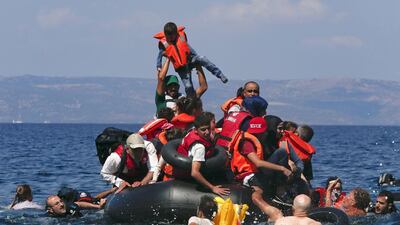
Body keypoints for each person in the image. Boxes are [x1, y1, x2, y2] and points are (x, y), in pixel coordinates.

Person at [154, 22, 227, 97]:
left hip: (190, 59)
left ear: (176, 33)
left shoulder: (181, 38)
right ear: (165, 35)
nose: (171, 38)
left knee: (203, 58)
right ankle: (190, 100)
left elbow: (189, 49)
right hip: (181, 68)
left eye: (172, 35)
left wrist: (197, 58)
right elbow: (159, 56)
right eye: (169, 36)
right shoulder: (164, 44)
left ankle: (219, 74)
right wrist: (158, 67)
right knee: (188, 86)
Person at [170, 113, 230, 196]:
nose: (207, 132)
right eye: (203, 130)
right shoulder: (199, 147)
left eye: (208, 128)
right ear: (195, 130)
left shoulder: (193, 133)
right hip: (188, 178)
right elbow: (194, 172)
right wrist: (213, 188)